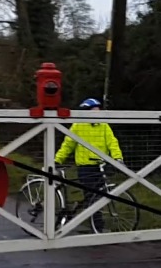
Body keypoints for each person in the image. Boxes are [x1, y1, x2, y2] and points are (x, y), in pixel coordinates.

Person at [53, 98, 124, 233]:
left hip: (100, 166)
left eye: (99, 111)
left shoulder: (103, 125)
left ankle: (96, 224)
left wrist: (117, 158)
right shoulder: (78, 126)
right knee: (92, 196)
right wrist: (57, 160)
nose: (98, 114)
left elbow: (112, 142)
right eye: (95, 111)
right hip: (85, 167)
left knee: (100, 195)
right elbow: (68, 145)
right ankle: (98, 226)